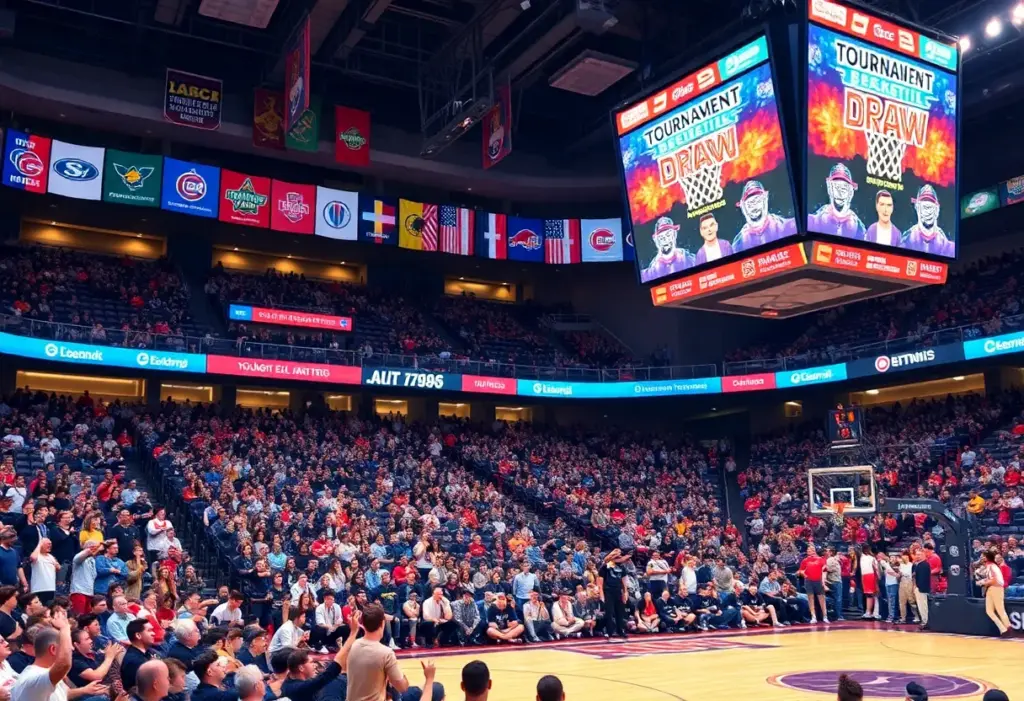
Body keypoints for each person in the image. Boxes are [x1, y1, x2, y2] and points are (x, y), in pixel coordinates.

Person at [346, 604, 438, 701]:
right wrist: (429, 679)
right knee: (433, 689)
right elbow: (403, 687)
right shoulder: (385, 653)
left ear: (363, 624)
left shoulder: (353, 645)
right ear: (383, 623)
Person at [12, 610, 106, 701]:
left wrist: (84, 690)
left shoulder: (47, 672)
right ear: (53, 649)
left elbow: (64, 694)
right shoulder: (34, 677)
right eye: (67, 647)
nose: (72, 649)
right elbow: (64, 664)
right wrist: (65, 627)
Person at [977, 550, 1011, 635]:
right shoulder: (989, 566)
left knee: (1000, 610)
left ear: (986, 557)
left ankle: (1009, 628)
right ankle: (1003, 629)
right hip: (990, 589)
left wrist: (983, 582)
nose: (981, 558)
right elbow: (991, 579)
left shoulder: (992, 566)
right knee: (989, 611)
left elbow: (995, 580)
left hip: (996, 588)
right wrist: (983, 581)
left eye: (982, 556)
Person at [597, 549, 629, 639]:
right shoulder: (605, 567)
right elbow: (600, 583)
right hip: (608, 591)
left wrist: (625, 593)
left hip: (618, 591)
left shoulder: (622, 567)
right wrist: (601, 595)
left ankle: (620, 630)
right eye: (617, 556)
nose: (619, 558)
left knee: (620, 612)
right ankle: (609, 632)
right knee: (609, 613)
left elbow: (624, 581)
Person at [120, 618, 158, 691]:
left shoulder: (151, 651)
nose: (153, 633)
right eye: (149, 630)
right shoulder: (134, 661)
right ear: (138, 635)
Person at [798, 545, 829, 624]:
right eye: (808, 549)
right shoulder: (805, 560)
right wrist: (803, 574)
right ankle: (813, 616)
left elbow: (825, 570)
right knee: (810, 599)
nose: (809, 550)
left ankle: (825, 616)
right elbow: (801, 570)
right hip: (808, 581)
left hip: (818, 581)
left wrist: (824, 582)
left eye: (811, 549)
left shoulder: (820, 559)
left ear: (814, 550)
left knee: (822, 599)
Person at [857, 544, 880, 620]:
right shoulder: (864, 557)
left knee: (870, 594)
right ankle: (869, 612)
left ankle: (870, 612)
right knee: (869, 595)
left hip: (869, 576)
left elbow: (876, 569)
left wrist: (878, 577)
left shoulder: (869, 558)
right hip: (866, 576)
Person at [912, 548, 931, 628]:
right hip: (919, 588)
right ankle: (924, 620)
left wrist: (919, 588)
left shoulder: (924, 565)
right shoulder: (918, 564)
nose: (918, 556)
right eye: (917, 554)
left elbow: (923, 579)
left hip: (922, 589)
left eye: (919, 554)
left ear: (924, 555)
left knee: (923, 606)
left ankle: (925, 622)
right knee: (921, 606)